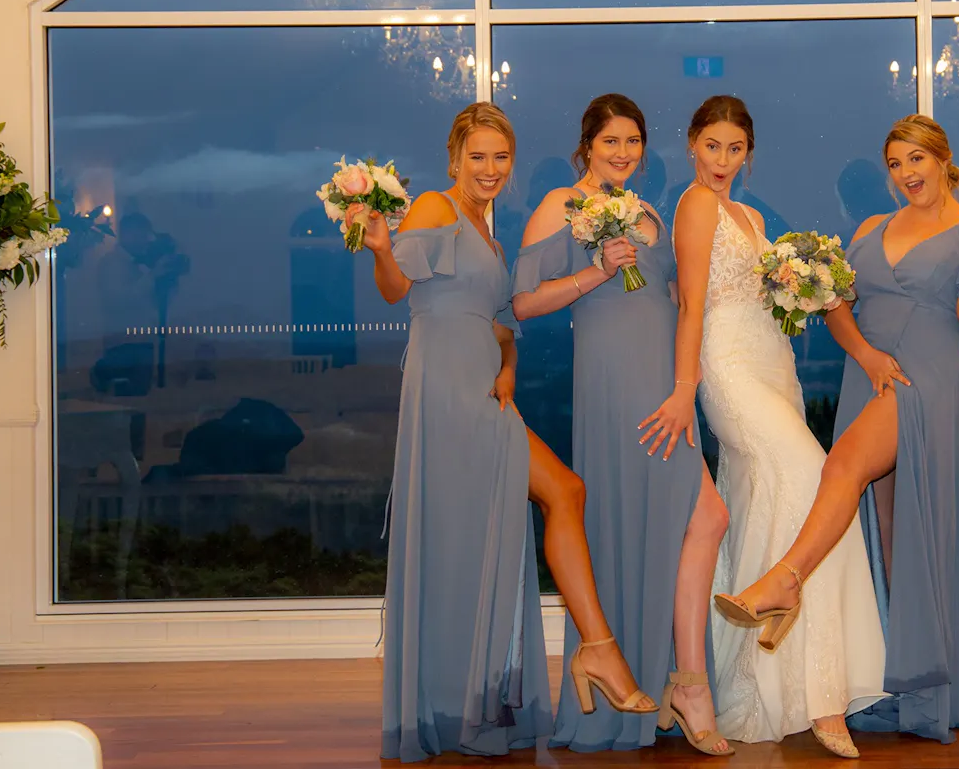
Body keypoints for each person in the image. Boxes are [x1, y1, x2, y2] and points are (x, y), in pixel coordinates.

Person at [350, 102, 655, 761]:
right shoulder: (433, 207)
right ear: (455, 158)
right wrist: (378, 247)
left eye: (501, 157)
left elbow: (501, 326)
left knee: (477, 537)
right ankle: (597, 652)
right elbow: (396, 288)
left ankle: (474, 702)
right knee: (563, 491)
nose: (490, 169)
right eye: (478, 156)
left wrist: (510, 368)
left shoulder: (489, 239)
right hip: (445, 392)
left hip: (486, 389)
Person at [723, 114, 959, 743]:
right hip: (871, 376)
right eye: (895, 163)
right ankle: (904, 684)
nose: (906, 172)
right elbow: (837, 306)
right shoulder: (870, 229)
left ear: (943, 160)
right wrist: (866, 356)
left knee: (841, 468)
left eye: (916, 158)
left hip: (920, 381)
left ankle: (785, 580)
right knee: (886, 538)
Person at [639, 95, 885, 758]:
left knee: (777, 503)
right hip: (727, 370)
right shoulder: (695, 205)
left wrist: (811, 289)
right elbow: (691, 305)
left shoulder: (749, 217)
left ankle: (789, 685)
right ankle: (819, 694)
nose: (722, 160)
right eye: (712, 145)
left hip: (775, 367)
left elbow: (768, 301)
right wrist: (684, 391)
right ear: (692, 144)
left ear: (749, 154)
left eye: (735, 148)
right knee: (813, 478)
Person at [512, 93, 731, 755]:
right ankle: (680, 688)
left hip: (666, 380)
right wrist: (594, 272)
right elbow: (524, 301)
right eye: (610, 141)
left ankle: (670, 685)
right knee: (702, 515)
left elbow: (676, 297)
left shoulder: (648, 210)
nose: (623, 152)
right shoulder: (562, 203)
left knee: (682, 521)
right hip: (618, 381)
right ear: (587, 146)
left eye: (633, 141)